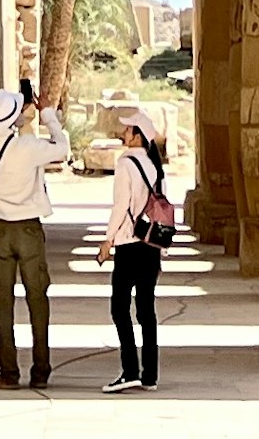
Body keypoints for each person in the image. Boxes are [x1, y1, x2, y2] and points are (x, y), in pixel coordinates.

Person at [0, 81, 61, 389]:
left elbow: (6, 139)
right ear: (16, 117)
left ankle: (8, 372)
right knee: (37, 299)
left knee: (4, 302)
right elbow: (60, 149)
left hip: (0, 228)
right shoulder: (29, 147)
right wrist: (47, 116)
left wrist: (18, 119)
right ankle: (41, 369)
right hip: (28, 228)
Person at [104, 110, 170, 391]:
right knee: (146, 310)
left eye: (128, 130)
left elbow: (121, 206)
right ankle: (150, 375)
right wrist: (162, 252)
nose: (123, 134)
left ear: (137, 136)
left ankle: (130, 369)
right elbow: (163, 207)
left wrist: (108, 240)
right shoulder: (156, 166)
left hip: (129, 244)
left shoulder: (126, 164)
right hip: (150, 245)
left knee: (119, 307)